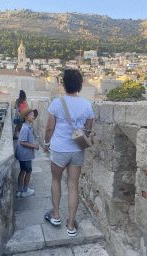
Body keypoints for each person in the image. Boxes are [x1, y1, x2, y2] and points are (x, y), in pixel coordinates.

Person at [43, 69, 94, 237]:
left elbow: (49, 127)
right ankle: (71, 225)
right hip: (76, 150)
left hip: (59, 149)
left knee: (56, 180)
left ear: (63, 84)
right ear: (79, 85)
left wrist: (46, 143)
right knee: (73, 186)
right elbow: (87, 130)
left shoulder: (57, 103)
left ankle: (56, 215)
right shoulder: (87, 104)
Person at [15, 107, 39, 198]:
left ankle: (19, 190)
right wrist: (34, 146)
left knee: (23, 170)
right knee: (28, 171)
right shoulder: (25, 128)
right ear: (25, 117)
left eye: (33, 115)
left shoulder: (26, 127)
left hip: (22, 154)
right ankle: (25, 191)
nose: (33, 116)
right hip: (25, 155)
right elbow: (22, 142)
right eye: (30, 115)